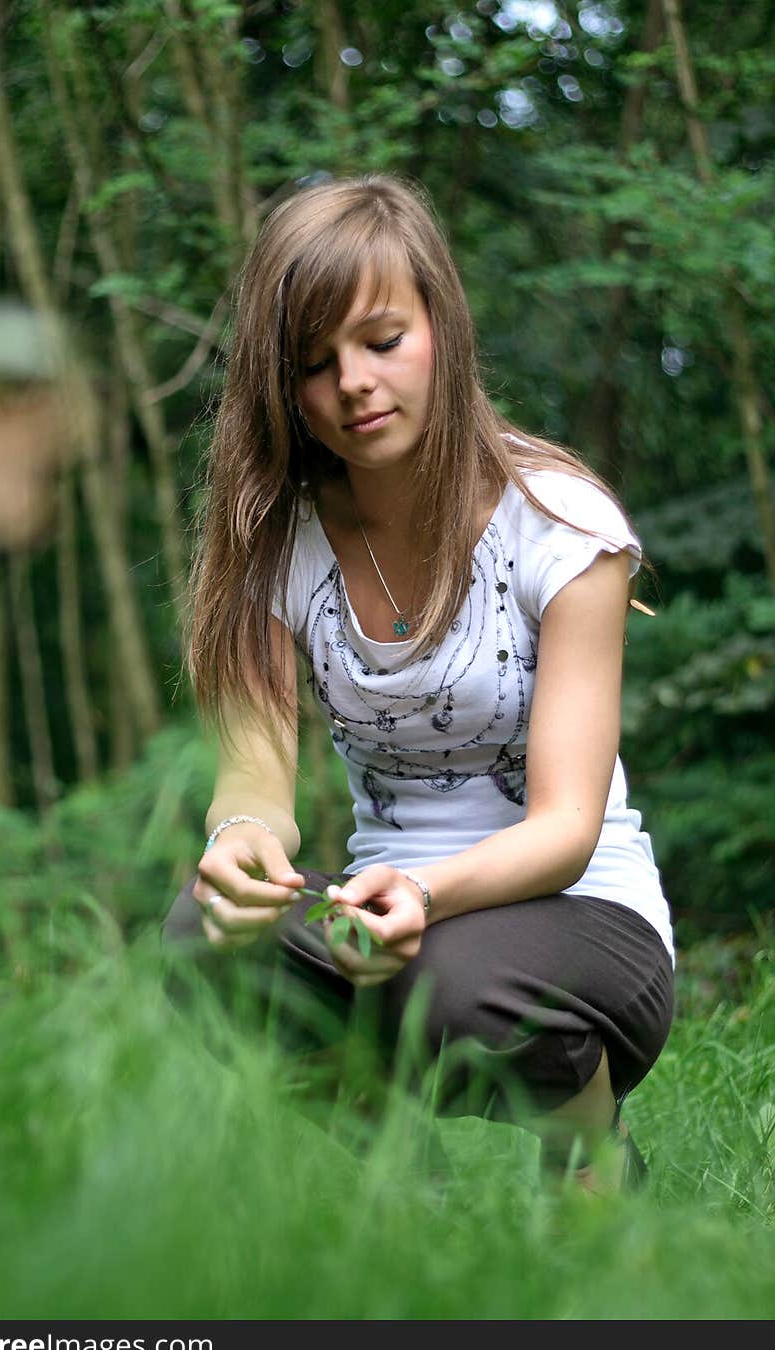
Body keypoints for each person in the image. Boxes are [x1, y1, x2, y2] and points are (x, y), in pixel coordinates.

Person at [163, 173, 674, 1194]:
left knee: (448, 982)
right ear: (285, 386)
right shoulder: (276, 545)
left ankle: (588, 1156)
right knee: (195, 942)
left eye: (381, 340)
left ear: (442, 327)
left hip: (581, 912)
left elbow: (566, 824)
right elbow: (254, 778)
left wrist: (427, 892)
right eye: (316, 361)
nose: (352, 382)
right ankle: (410, 1193)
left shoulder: (563, 528)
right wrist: (241, 846)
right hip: (377, 909)